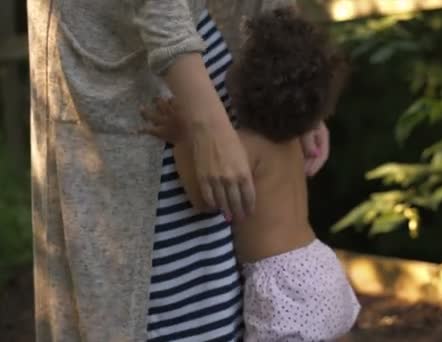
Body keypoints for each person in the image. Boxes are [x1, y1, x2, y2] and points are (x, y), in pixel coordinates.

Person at [28, 0, 328, 341]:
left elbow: (203, 199)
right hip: (144, 84)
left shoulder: (251, 136)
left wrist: (194, 131)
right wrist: (211, 122)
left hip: (191, 94)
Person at [142, 8, 360, 341]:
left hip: (282, 285)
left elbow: (202, 199)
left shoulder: (245, 147)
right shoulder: (292, 141)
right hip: (321, 268)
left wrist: (184, 137)